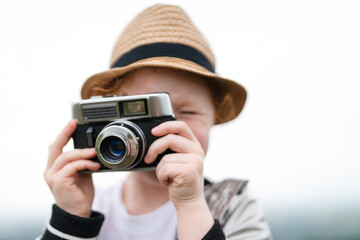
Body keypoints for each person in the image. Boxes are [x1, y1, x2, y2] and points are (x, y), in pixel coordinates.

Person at [40, 4, 272, 240]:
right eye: (145, 112)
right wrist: (69, 222)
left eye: (187, 112)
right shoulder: (85, 206)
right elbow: (71, 220)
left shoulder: (233, 204)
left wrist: (190, 205)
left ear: (215, 118)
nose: (170, 128)